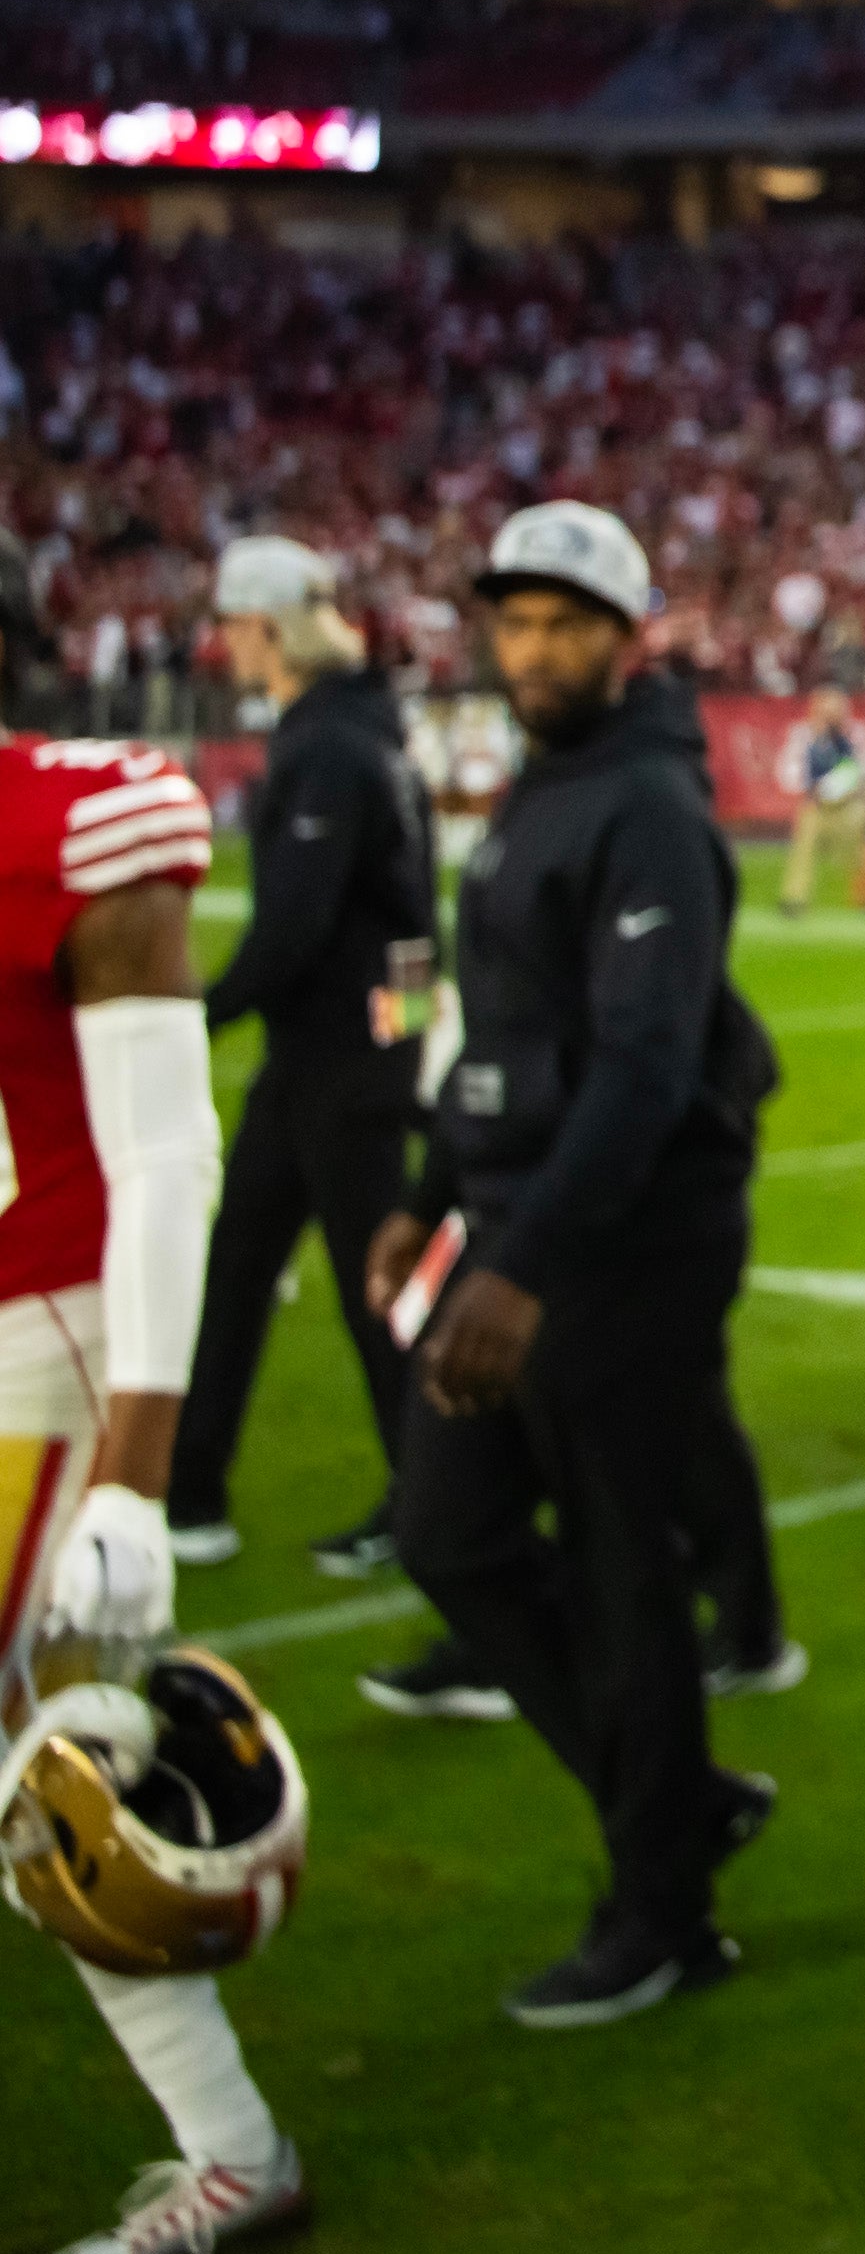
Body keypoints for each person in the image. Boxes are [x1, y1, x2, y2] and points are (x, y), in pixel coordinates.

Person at [365, 499, 785, 2025]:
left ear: (624, 635)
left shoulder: (649, 803)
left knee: (620, 1570)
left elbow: (647, 1062)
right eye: (514, 621)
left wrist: (519, 1257)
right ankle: (664, 1798)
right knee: (450, 1530)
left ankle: (663, 1910)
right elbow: (504, 1021)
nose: (530, 647)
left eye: (561, 623)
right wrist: (434, 1190)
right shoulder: (550, 781)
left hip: (625, 1241)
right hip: (525, 1220)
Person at [0, 546, 302, 2254]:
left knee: (57, 1784)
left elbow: (167, 1155)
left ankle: (234, 2145)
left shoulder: (73, 821)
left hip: (37, 1345)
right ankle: (233, 2143)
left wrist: (136, 1456)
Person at [161, 538, 436, 1584]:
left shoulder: (325, 745)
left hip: (335, 1064)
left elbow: (296, 927)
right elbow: (415, 918)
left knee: (374, 1290)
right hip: (343, 1056)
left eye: (233, 626)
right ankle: (191, 1485)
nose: (225, 647)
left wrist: (196, 1013)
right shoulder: (368, 731)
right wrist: (403, 1035)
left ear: (265, 627)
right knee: (239, 1264)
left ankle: (440, 1500)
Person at [775, 689, 865, 915]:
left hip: (846, 806)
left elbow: (864, 770)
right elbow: (789, 770)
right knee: (804, 848)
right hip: (816, 806)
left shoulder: (854, 735)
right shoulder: (803, 735)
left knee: (859, 851)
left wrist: (861, 796)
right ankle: (795, 897)